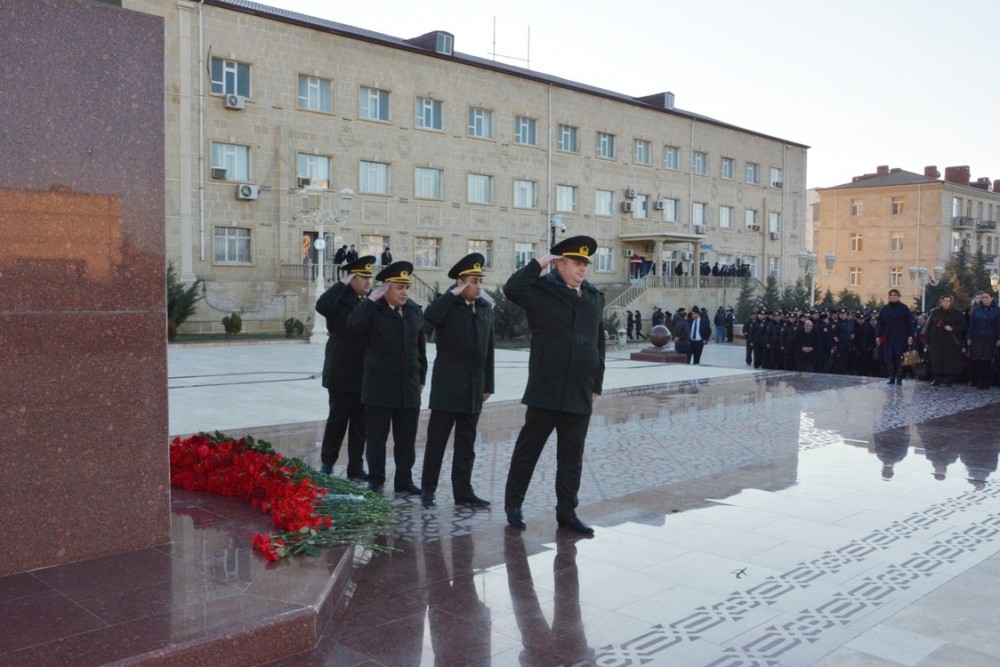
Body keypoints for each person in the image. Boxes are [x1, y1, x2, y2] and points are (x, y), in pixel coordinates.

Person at [502, 235, 605, 536]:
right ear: (559, 263)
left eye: (585, 263)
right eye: (576, 262)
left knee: (571, 457)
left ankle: (567, 512)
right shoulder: (540, 291)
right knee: (528, 450)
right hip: (546, 387)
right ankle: (514, 504)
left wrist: (596, 384)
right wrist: (540, 262)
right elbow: (512, 289)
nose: (582, 268)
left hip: (580, 388)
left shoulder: (593, 297)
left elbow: (599, 342)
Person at [420, 253, 495, 509]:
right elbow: (428, 317)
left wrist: (489, 384)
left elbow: (490, 348)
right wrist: (452, 293)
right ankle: (427, 490)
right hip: (448, 387)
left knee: (466, 444)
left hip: (474, 386)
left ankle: (463, 492)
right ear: (461, 282)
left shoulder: (485, 308)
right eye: (474, 281)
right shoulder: (446, 307)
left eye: (480, 281)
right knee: (437, 442)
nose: (479, 286)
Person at [347, 260, 427, 494]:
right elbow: (353, 325)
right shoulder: (374, 310)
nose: (404, 292)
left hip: (408, 388)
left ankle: (404, 480)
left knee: (406, 441)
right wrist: (372, 300)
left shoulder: (413, 310)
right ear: (386, 288)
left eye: (406, 287)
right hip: (379, 387)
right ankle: (376, 478)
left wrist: (421, 378)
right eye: (399, 287)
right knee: (376, 439)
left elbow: (420, 349)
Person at [315, 255, 375, 481]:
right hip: (341, 370)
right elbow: (321, 305)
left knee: (360, 424)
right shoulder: (338, 300)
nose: (369, 282)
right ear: (351, 278)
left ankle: (356, 468)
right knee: (337, 420)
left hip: (363, 372)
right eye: (363, 277)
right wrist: (341, 283)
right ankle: (328, 463)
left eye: (370, 278)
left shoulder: (369, 302)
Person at [921, 294, 967, 386]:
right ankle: (936, 378)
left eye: (948, 301)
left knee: (949, 360)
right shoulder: (935, 312)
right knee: (936, 360)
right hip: (936, 340)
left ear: (951, 302)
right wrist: (926, 340)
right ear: (940, 302)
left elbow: (963, 326)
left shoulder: (956, 313)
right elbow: (928, 326)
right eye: (944, 301)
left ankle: (948, 379)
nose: (946, 303)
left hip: (950, 341)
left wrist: (953, 328)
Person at [876, 289, 915, 385]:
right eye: (891, 295)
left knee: (900, 357)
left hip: (901, 336)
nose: (893, 296)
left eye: (895, 295)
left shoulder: (904, 308)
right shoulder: (885, 309)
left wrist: (910, 335)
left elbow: (909, 323)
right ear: (889, 297)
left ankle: (899, 378)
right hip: (887, 336)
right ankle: (891, 377)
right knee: (889, 358)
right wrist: (878, 336)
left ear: (899, 296)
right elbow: (880, 324)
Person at [966, 291, 1000, 389]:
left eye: (987, 297)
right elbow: (972, 324)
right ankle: (980, 381)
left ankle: (987, 381)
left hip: (991, 338)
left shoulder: (997, 310)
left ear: (992, 298)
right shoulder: (976, 310)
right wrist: (969, 337)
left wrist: (999, 338)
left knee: (988, 361)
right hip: (977, 338)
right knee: (977, 360)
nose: (984, 299)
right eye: (983, 298)